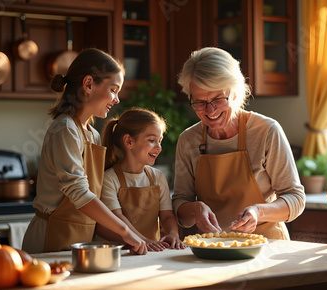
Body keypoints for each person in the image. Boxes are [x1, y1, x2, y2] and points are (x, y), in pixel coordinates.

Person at [22, 48, 147, 255]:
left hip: (80, 239)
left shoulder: (92, 135)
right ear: (88, 84)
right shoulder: (65, 129)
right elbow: (78, 192)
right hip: (51, 237)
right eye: (114, 89)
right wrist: (124, 231)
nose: (117, 99)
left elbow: (94, 198)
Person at [172, 47, 305, 239]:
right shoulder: (188, 140)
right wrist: (195, 209)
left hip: (267, 248)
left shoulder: (266, 131)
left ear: (235, 93)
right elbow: (180, 206)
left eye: (218, 99)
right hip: (214, 249)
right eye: (199, 102)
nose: (210, 110)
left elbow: (296, 198)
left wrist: (258, 212)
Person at [96, 108, 186, 251]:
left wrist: (173, 234)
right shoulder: (109, 179)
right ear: (129, 141)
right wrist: (143, 240)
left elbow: (167, 216)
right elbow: (117, 217)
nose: (159, 148)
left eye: (160, 141)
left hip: (150, 251)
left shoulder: (158, 177)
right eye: (151, 140)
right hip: (119, 253)